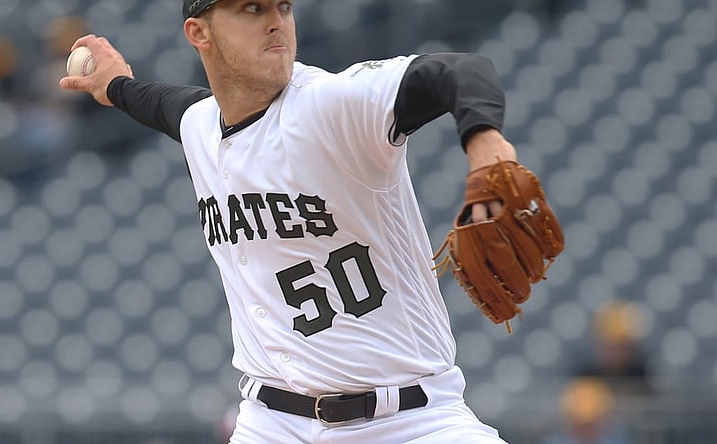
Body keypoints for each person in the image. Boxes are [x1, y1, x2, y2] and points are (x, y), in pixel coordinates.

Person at [60, 0, 519, 442]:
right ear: (199, 32)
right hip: (272, 424)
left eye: (283, 6)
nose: (276, 21)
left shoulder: (330, 104)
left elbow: (459, 70)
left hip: (411, 422)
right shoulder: (200, 124)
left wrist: (487, 146)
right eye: (252, 8)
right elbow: (160, 104)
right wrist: (115, 85)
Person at [542, 377, 634, 444]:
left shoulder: (622, 440)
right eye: (581, 426)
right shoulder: (552, 441)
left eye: (592, 425)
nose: (587, 432)